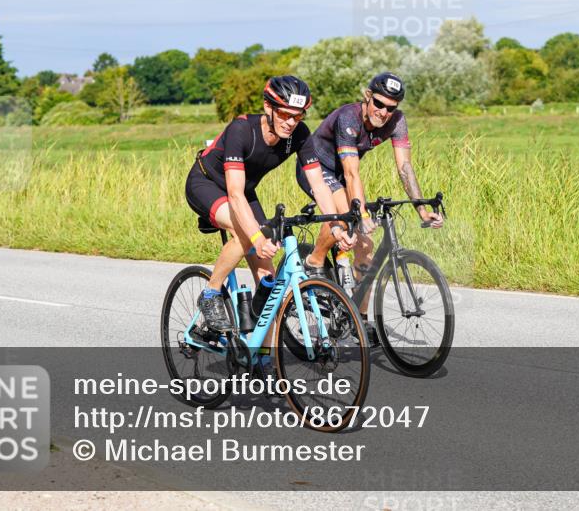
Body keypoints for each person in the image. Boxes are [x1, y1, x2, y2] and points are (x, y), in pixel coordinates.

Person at [186, 75, 355, 331]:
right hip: (207, 183)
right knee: (248, 234)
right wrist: (256, 237)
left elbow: (319, 185)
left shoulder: (299, 135)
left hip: (245, 191)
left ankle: (261, 358)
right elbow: (234, 193)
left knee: (268, 283)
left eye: (297, 116)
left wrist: (335, 227)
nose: (290, 123)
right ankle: (210, 294)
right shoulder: (241, 129)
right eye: (285, 114)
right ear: (269, 108)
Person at [295, 72, 443, 339]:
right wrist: (361, 214)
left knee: (365, 245)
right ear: (367, 97)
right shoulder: (348, 118)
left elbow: (405, 167)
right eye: (378, 103)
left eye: (391, 107)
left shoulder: (397, 122)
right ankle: (313, 261)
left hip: (341, 173)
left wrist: (421, 208)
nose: (384, 112)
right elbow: (352, 174)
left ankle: (359, 317)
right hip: (317, 168)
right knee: (344, 216)